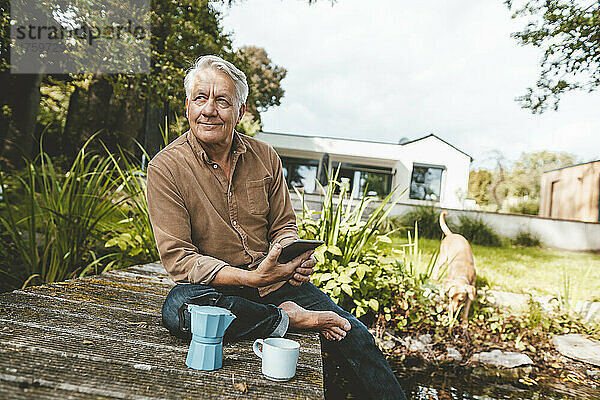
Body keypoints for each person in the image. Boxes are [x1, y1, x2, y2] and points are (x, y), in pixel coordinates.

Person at [146, 54, 406, 400]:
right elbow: (181, 260)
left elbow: (284, 225)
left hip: (278, 285)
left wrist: (290, 257)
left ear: (240, 111)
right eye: (200, 98)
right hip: (220, 289)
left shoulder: (265, 155)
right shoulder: (166, 168)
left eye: (222, 101)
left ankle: (281, 316)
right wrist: (250, 278)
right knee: (177, 305)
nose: (210, 110)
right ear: (187, 105)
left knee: (356, 335)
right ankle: (287, 320)